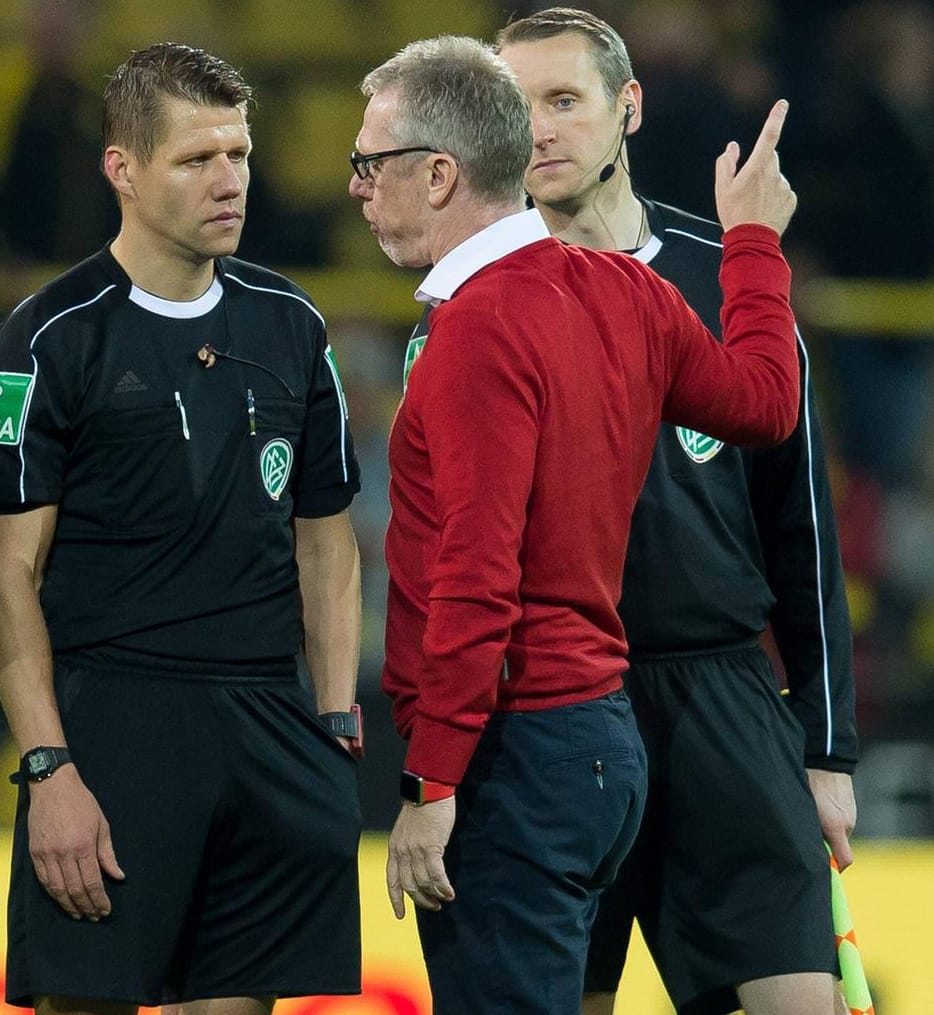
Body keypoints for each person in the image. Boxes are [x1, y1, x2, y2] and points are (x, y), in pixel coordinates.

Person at [352, 36, 802, 1014]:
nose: (355, 188)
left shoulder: (473, 324)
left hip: (510, 748)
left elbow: (477, 570)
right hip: (602, 749)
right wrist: (753, 251)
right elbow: (767, 401)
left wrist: (430, 783)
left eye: (368, 165)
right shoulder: (631, 290)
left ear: (438, 173)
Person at [0, 42, 364, 1015]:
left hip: (268, 718)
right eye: (197, 159)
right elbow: (5, 577)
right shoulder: (42, 338)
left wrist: (336, 716)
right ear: (123, 170)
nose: (229, 181)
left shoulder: (292, 324)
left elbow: (327, 538)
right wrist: (49, 764)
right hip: (113, 724)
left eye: (239, 154)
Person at [494, 10, 860, 1015]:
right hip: (558, 708)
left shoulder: (729, 274)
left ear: (628, 107)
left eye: (562, 101)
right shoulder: (480, 299)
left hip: (723, 699)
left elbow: (803, 530)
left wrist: (826, 749)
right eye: (513, 108)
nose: (538, 130)